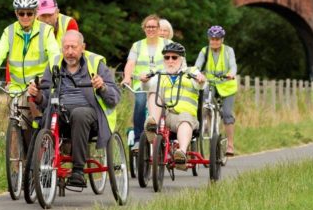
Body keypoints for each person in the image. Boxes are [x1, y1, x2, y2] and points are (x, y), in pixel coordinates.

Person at [28, 31, 120, 187]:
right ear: (61, 49)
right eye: (66, 47)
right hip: (60, 111)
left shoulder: (96, 63)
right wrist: (36, 95)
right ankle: (36, 172)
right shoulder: (53, 63)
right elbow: (44, 100)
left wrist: (102, 87)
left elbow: (114, 98)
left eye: (74, 47)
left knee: (79, 113)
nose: (70, 52)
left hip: (89, 115)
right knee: (44, 120)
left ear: (82, 47)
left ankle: (78, 170)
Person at [0, 0, 60, 142]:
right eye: (21, 13)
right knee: (17, 121)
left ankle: (42, 141)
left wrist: (55, 72)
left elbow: (55, 53)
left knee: (34, 112)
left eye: (29, 13)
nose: (25, 17)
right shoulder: (9, 32)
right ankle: (20, 159)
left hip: (39, 83)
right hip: (16, 86)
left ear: (35, 13)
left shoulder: (45, 31)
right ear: (16, 13)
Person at [148, 42, 206, 170]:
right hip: (167, 117)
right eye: (167, 57)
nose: (170, 61)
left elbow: (200, 84)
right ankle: (152, 125)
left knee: (184, 119)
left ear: (182, 59)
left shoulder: (191, 71)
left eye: (174, 57)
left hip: (186, 117)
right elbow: (146, 86)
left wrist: (200, 79)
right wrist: (145, 80)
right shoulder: (161, 74)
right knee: (154, 89)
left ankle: (182, 154)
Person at [121, 15, 172, 151]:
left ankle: (164, 135)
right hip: (141, 84)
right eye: (148, 27)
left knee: (166, 107)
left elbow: (174, 63)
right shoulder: (137, 45)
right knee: (139, 103)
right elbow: (130, 63)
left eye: (153, 27)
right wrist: (127, 77)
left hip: (162, 84)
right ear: (144, 29)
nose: (151, 29)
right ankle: (138, 139)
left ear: (158, 28)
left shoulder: (167, 44)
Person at [4, 0, 78, 82]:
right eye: (43, 16)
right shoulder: (28, 25)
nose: (47, 20)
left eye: (50, 15)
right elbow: (14, 57)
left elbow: (76, 53)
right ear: (36, 16)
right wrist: (8, 82)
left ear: (57, 12)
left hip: (65, 72)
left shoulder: (69, 23)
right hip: (37, 77)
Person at [194, 25, 238, 156]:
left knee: (227, 113)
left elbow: (233, 65)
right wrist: (198, 74)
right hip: (210, 83)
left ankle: (230, 145)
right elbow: (197, 66)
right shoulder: (204, 51)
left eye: (217, 39)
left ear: (222, 40)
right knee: (205, 103)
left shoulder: (228, 51)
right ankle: (206, 123)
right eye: (212, 39)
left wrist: (231, 73)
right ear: (209, 39)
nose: (214, 41)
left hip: (227, 85)